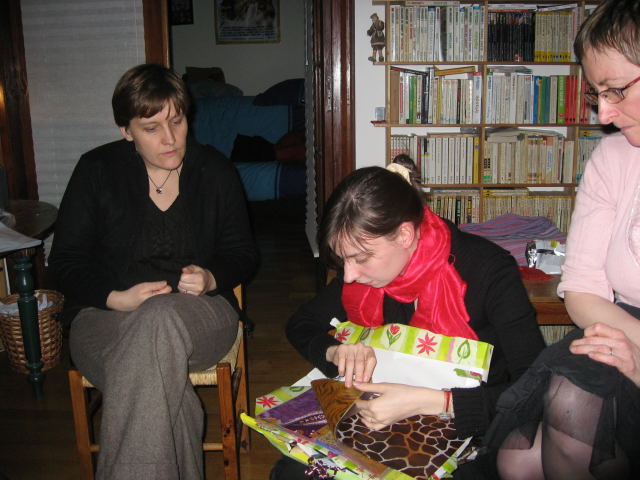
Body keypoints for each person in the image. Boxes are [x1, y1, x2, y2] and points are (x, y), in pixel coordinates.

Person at [270, 161, 546, 479]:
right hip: (382, 422)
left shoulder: (489, 270)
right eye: (343, 259)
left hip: (469, 428)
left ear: (404, 235)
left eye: (361, 259)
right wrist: (334, 351)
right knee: (290, 472)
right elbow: (301, 323)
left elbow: (536, 391)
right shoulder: (368, 271)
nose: (349, 275)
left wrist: (435, 402)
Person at [48, 63, 259, 480]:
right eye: (151, 128)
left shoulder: (214, 170)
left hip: (199, 316)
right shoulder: (97, 170)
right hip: (105, 319)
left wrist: (212, 277)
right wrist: (114, 297)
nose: (170, 138)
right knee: (154, 372)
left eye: (177, 121)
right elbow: (64, 262)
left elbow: (244, 254)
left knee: (158, 319)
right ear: (126, 131)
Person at [485, 2, 640, 479]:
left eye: (616, 90)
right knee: (517, 459)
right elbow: (582, 288)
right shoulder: (613, 159)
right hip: (622, 323)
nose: (605, 114)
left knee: (570, 414)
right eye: (597, 93)